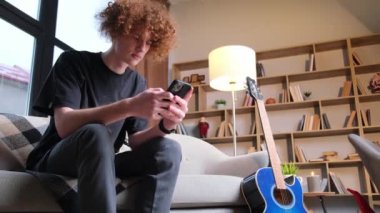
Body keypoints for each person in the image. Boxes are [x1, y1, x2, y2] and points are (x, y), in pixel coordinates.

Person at [26, 0, 192, 212]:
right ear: (116, 30)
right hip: (56, 158)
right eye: (136, 37)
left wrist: (165, 126)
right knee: (95, 132)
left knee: (169, 149)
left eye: (149, 42)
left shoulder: (137, 82)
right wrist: (130, 106)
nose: (142, 48)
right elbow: (64, 125)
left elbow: (136, 140)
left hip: (103, 161)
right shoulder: (73, 62)